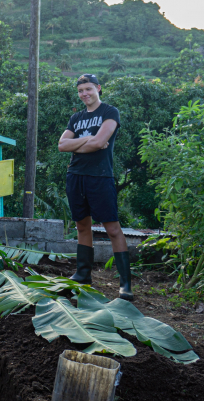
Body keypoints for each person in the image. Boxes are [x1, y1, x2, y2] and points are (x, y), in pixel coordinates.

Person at [57, 74, 133, 301]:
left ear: (98, 88)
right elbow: (62, 145)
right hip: (75, 176)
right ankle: (83, 274)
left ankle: (125, 284)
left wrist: (79, 143)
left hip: (100, 177)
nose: (85, 94)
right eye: (81, 91)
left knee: (112, 229)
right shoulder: (76, 117)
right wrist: (88, 140)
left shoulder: (110, 112)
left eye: (88, 89)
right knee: (82, 225)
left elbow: (100, 143)